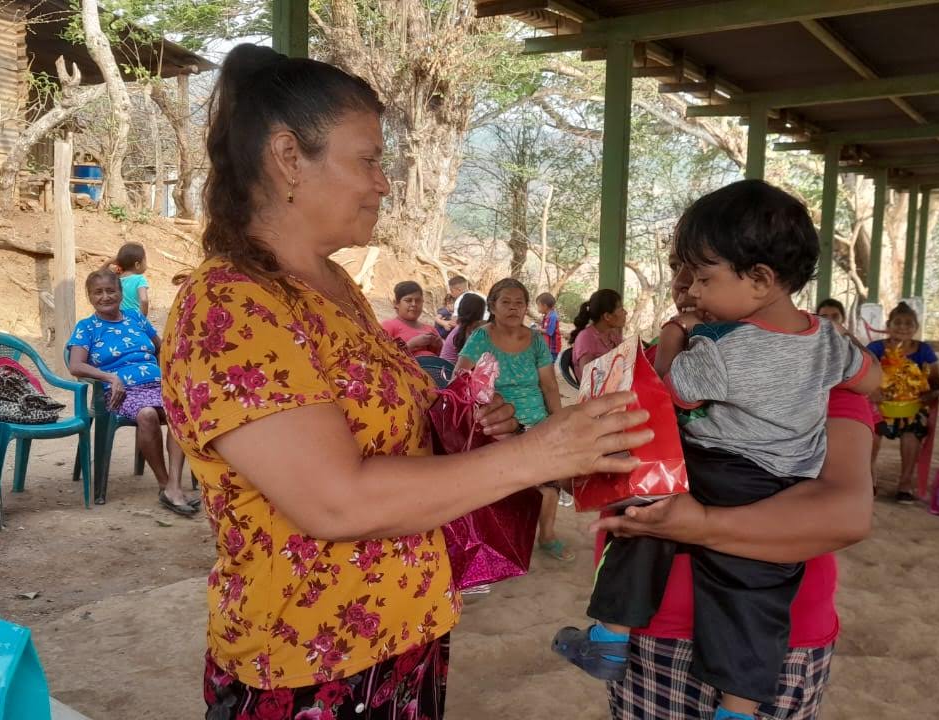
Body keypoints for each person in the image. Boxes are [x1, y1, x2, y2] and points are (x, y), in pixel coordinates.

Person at [159, 44, 650, 719]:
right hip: (309, 661)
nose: (384, 183)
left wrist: (470, 432)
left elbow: (383, 439)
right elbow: (336, 501)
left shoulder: (337, 291)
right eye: (368, 160)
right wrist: (538, 454)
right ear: (287, 157)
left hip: (407, 628)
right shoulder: (230, 307)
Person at [555, 180, 879, 720]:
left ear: (760, 280)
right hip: (773, 502)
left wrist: (677, 337)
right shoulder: (828, 345)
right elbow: (872, 377)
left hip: (715, 494)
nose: (689, 288)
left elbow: (666, 395)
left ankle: (609, 635)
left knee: (644, 513)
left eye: (703, 275)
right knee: (752, 587)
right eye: (682, 270)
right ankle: (737, 708)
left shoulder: (721, 349)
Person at [455, 278, 572, 562]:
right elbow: (461, 377)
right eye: (506, 302)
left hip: (537, 420)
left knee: (549, 482)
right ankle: (504, 537)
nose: (513, 308)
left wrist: (558, 422)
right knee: (504, 485)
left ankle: (546, 536)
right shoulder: (481, 338)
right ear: (492, 306)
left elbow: (549, 385)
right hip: (498, 422)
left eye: (519, 303)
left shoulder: (535, 340)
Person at [67, 269, 194, 514]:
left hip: (156, 385)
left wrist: (169, 374)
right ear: (90, 297)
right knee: (146, 414)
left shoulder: (136, 318)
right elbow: (76, 365)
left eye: (111, 290)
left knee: (179, 412)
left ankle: (174, 484)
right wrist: (110, 377)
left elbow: (162, 348)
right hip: (121, 391)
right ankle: (164, 483)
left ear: (121, 293)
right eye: (98, 292)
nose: (105, 297)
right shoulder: (87, 327)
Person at [867, 303, 939, 504]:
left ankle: (905, 484)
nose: (903, 327)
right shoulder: (875, 348)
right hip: (880, 408)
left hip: (912, 408)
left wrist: (934, 391)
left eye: (908, 323)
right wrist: (872, 390)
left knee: (912, 434)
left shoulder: (923, 350)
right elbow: (862, 373)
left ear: (916, 327)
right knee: (871, 434)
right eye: (897, 322)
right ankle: (869, 479)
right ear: (888, 325)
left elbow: (936, 378)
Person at [380, 281, 443, 357]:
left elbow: (443, 358)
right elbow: (381, 356)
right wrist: (411, 345)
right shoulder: (388, 326)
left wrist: (438, 346)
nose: (414, 304)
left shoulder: (431, 329)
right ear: (396, 303)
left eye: (418, 300)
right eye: (408, 300)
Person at [571, 289, 626, 377]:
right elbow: (590, 376)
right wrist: (616, 373)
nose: (625, 313)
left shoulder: (613, 334)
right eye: (621, 310)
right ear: (607, 316)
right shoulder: (586, 339)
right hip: (596, 388)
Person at [440, 294, 487, 365]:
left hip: (444, 369)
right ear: (481, 313)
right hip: (450, 372)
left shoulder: (462, 327)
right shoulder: (469, 331)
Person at [113, 242, 151, 318]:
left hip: (119, 318)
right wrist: (142, 318)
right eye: (145, 260)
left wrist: (108, 262)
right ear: (137, 265)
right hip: (134, 319)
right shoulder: (140, 279)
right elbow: (144, 300)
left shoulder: (117, 278)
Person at [538, 292, 562, 361]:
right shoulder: (546, 316)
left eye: (538, 305)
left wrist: (538, 329)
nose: (538, 308)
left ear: (544, 306)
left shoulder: (553, 317)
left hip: (552, 348)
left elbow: (549, 332)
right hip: (547, 346)